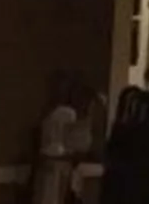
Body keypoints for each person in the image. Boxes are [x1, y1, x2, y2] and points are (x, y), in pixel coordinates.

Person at [32, 75, 100, 204]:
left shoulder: (54, 114)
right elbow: (77, 146)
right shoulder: (65, 115)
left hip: (55, 171)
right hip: (58, 172)